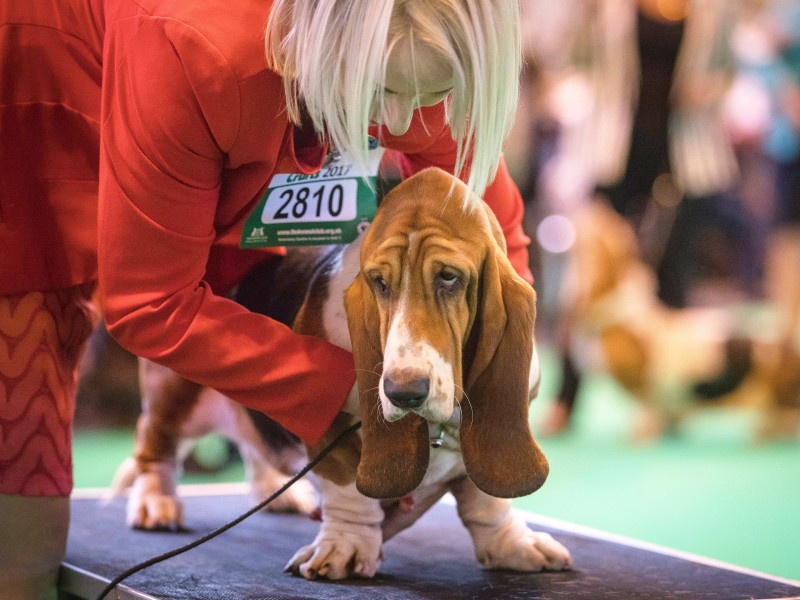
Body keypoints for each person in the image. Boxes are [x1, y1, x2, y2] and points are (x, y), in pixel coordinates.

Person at [0, 0, 530, 597]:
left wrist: (510, 359)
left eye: (433, 92)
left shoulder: (408, 42)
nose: (404, 121)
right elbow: (150, 303)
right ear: (335, 45)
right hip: (46, 68)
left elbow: (492, 230)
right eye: (385, 90)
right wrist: (348, 389)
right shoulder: (193, 46)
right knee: (23, 374)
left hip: (254, 77)